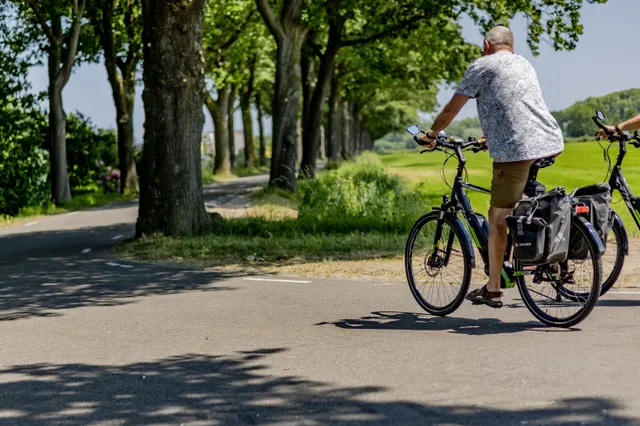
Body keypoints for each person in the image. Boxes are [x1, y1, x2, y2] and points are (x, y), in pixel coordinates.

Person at [418, 25, 564, 308]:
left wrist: (432, 135)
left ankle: (494, 288)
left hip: (518, 150)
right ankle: (530, 256)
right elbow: (517, 106)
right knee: (522, 205)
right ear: (512, 46)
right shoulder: (524, 63)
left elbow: (451, 109)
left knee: (497, 217)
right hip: (549, 141)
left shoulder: (481, 65)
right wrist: (491, 137)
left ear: (486, 44)